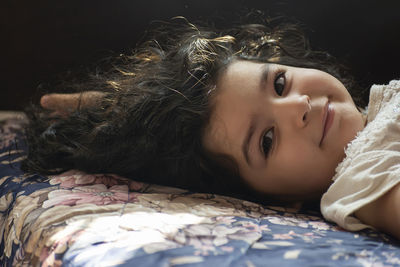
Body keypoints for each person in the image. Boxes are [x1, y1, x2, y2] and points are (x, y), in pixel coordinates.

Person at [21, 16, 400, 239]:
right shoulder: (361, 180)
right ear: (279, 202)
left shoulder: (375, 111)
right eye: (266, 141)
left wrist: (115, 108)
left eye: (280, 84)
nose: (298, 107)